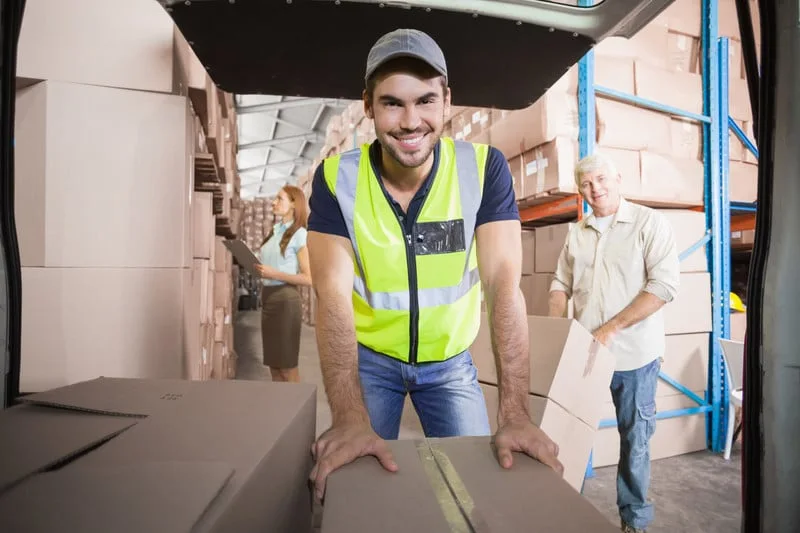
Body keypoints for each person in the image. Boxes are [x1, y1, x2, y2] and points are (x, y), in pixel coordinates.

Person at [305, 28, 563, 501]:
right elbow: (332, 294)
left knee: (479, 490)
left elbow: (504, 285)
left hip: (449, 366)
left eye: (425, 101)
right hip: (371, 363)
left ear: (447, 101)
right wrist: (347, 417)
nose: (410, 121)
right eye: (392, 103)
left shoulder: (483, 169)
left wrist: (516, 414)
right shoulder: (336, 179)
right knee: (358, 491)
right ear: (368, 106)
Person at [548, 153, 680, 533]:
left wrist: (611, 328)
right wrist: (559, 326)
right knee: (568, 432)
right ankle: (563, 509)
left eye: (602, 179)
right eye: (586, 184)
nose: (596, 189)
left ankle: (634, 520)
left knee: (635, 439)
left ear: (619, 178)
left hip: (635, 355)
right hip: (585, 354)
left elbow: (663, 286)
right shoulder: (578, 232)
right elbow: (560, 285)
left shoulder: (648, 223)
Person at [254, 185, 312, 383]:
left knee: (287, 367)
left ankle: (297, 412)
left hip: (286, 300)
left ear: (294, 204)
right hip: (268, 298)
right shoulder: (274, 232)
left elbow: (308, 277)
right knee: (274, 366)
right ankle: (281, 410)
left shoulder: (299, 234)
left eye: (279, 199)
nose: (273, 202)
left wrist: (274, 272)